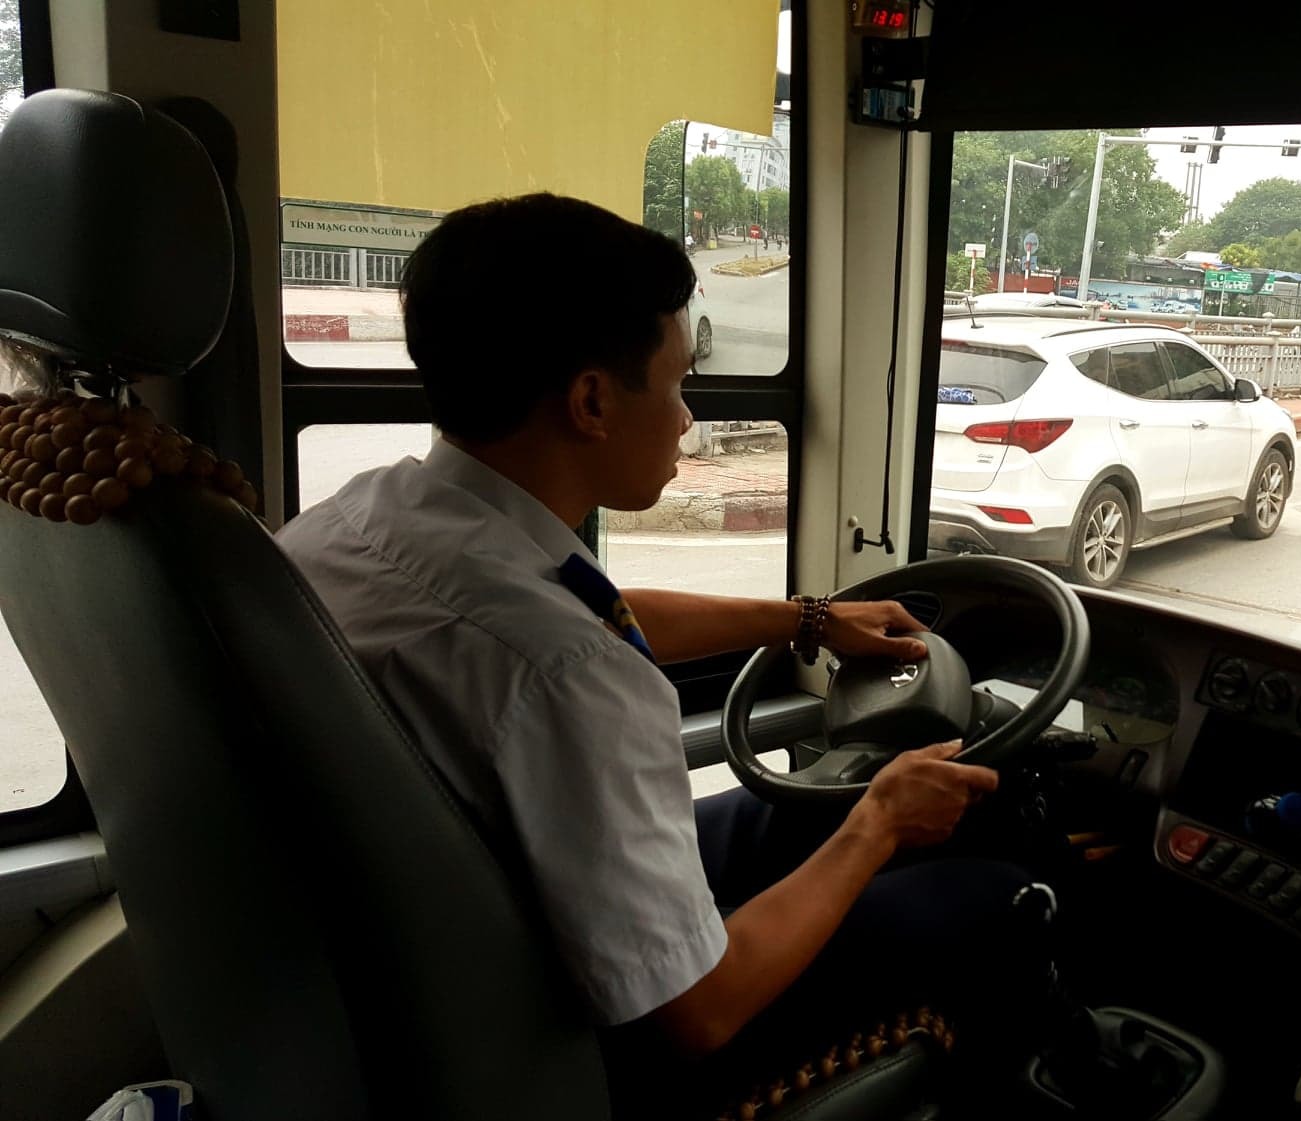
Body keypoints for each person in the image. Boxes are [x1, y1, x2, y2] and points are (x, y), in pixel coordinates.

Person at [277, 193, 1037, 1112]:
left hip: (457, 968)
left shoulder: (359, 521)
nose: (687, 417)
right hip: (611, 1051)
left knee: (799, 813)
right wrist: (879, 822)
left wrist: (805, 618)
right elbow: (698, 1013)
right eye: (677, 382)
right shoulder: (569, 676)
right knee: (992, 896)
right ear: (593, 400)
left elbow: (599, 611)